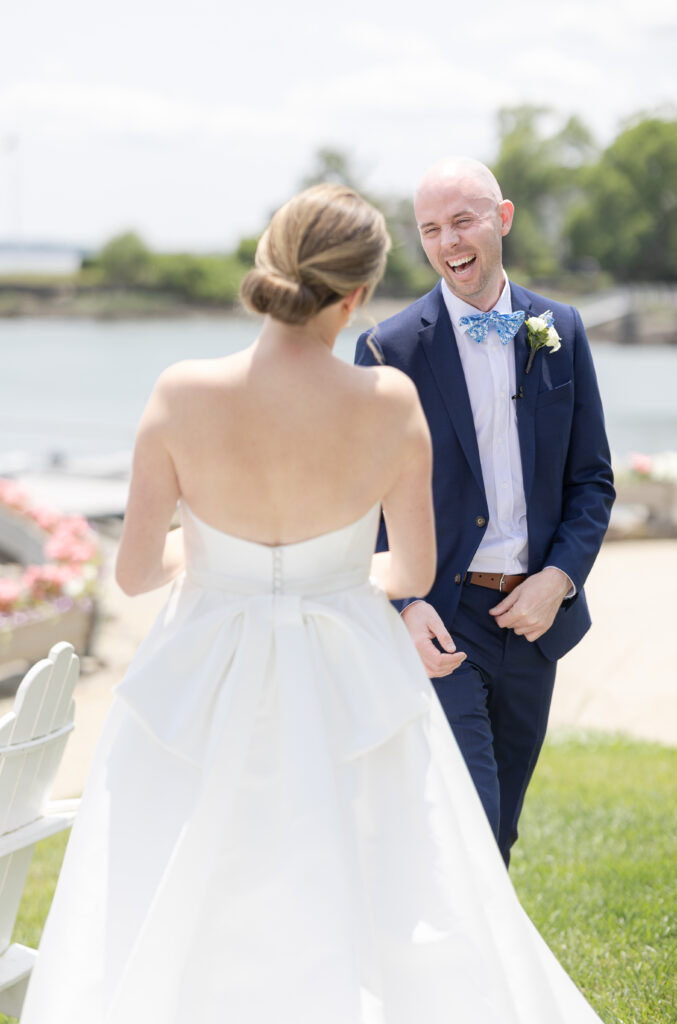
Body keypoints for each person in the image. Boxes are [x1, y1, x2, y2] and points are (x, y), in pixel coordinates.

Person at [22, 184, 604, 1023]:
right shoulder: (386, 402)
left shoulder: (182, 390)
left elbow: (138, 573)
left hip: (201, 670)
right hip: (344, 667)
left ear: (269, 266)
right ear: (360, 293)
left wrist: (229, 558)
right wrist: (319, 572)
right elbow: (409, 568)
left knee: (181, 870)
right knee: (379, 875)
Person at [356, 157, 615, 867]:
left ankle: (465, 972)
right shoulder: (388, 348)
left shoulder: (557, 327)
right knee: (468, 816)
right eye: (430, 229)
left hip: (534, 621)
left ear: (500, 219)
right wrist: (404, 603)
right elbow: (365, 501)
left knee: (497, 828)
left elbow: (591, 480)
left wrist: (557, 579)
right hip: (443, 617)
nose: (447, 241)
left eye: (461, 221)